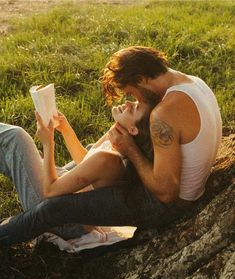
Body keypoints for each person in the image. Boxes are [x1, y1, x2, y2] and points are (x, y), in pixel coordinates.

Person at [0, 46, 222, 245]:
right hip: (161, 189)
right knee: (20, 144)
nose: (132, 100)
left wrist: (129, 148)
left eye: (131, 93)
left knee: (46, 200)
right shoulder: (193, 83)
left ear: (143, 79)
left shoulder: (165, 113)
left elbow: (166, 194)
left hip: (165, 206)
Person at [0, 99, 153, 244]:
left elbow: (50, 190)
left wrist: (48, 143)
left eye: (135, 108)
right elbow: (85, 160)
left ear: (133, 130)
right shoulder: (115, 136)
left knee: (16, 138)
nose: (128, 103)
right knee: (12, 151)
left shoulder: (109, 161)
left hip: (61, 219)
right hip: (61, 197)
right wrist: (66, 129)